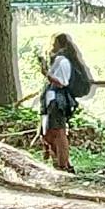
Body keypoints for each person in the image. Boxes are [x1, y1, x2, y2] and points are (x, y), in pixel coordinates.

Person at [38, 32, 82, 172]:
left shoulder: (62, 61)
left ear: (59, 45)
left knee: (59, 133)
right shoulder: (58, 60)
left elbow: (62, 83)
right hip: (51, 100)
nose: (51, 46)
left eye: (53, 43)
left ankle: (63, 165)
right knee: (49, 133)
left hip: (57, 101)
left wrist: (46, 73)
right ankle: (59, 163)